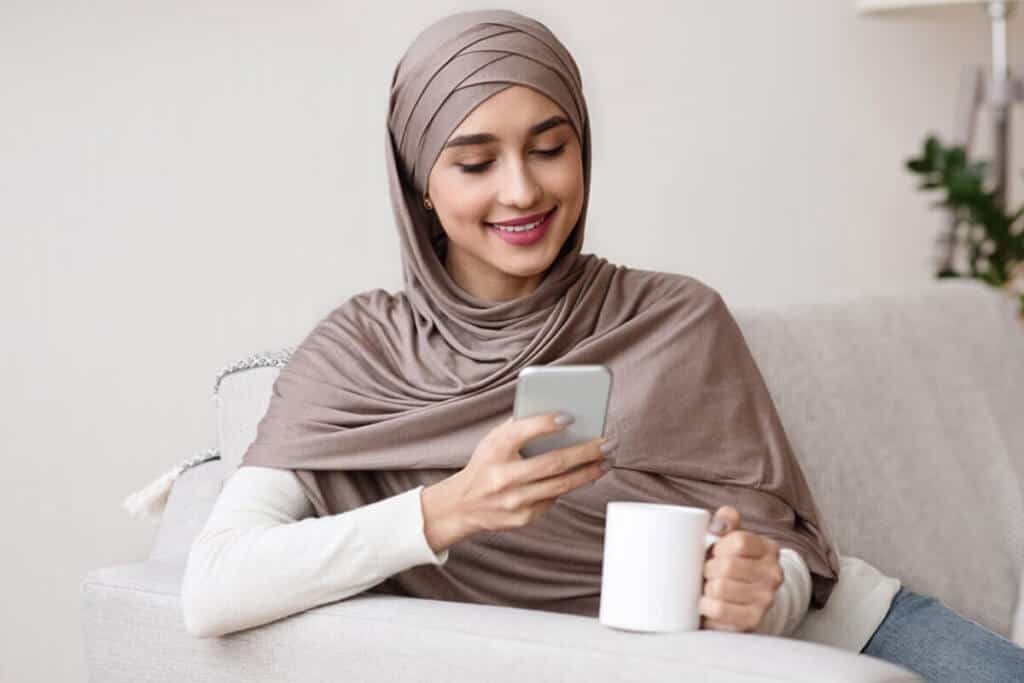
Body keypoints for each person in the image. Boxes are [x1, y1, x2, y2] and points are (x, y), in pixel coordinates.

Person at [182, 9, 1024, 680]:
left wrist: (757, 590)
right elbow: (213, 585)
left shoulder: (675, 317)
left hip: (851, 637)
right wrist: (451, 509)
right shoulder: (358, 354)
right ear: (420, 189)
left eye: (551, 149)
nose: (523, 189)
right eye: (475, 163)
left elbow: (792, 561)